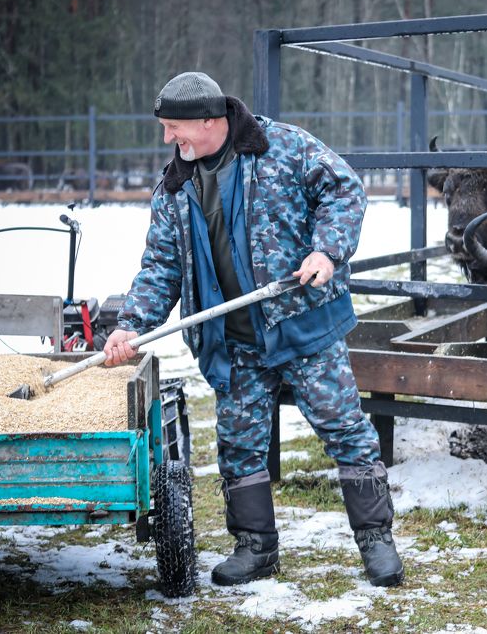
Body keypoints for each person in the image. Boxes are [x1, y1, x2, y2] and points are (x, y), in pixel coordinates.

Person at [103, 71, 403, 588]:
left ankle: (377, 540)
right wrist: (130, 326)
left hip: (302, 324)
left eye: (175, 127)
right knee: (239, 444)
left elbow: (345, 190)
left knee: (346, 432)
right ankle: (255, 548)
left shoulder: (282, 147)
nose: (169, 139)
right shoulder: (175, 187)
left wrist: (326, 250)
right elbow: (160, 267)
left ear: (209, 120)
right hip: (234, 339)